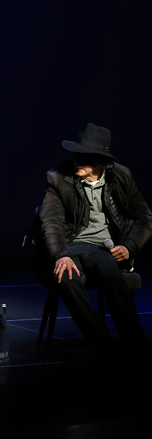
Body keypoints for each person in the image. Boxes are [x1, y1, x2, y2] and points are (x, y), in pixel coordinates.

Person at [38, 123, 152, 363]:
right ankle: (105, 347)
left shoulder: (121, 175)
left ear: (101, 161)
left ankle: (136, 342)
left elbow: (145, 217)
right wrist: (61, 255)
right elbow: (50, 221)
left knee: (110, 270)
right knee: (66, 277)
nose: (77, 160)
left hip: (103, 247)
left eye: (84, 157)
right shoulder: (58, 177)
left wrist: (130, 246)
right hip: (70, 246)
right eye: (76, 155)